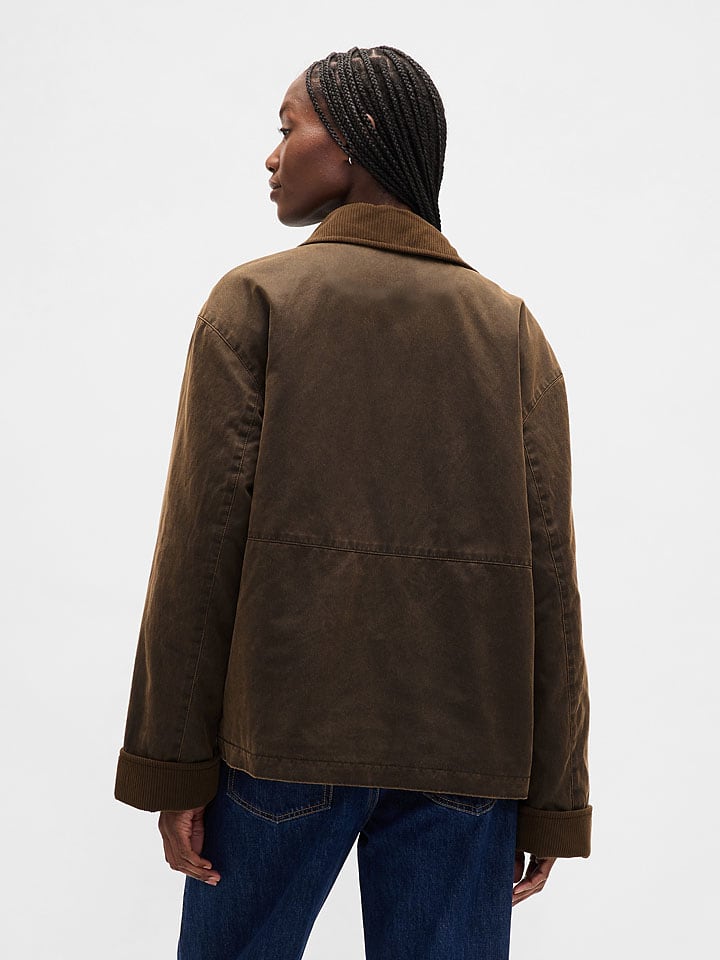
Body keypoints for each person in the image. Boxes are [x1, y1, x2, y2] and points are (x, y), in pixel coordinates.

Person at [114, 45, 592, 959]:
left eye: (288, 127)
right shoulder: (510, 330)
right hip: (469, 754)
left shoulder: (257, 301)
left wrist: (174, 765)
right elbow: (552, 581)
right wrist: (554, 795)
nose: (272, 155)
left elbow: (200, 554)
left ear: (356, 138)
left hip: (283, 739)